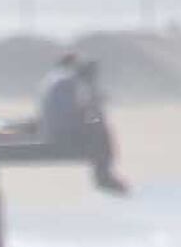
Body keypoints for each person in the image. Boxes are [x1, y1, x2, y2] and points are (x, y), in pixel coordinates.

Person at [35, 51, 128, 195]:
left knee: (96, 125)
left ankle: (103, 175)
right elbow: (86, 108)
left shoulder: (52, 78)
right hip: (64, 134)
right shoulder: (69, 80)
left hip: (53, 131)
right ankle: (103, 175)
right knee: (100, 130)